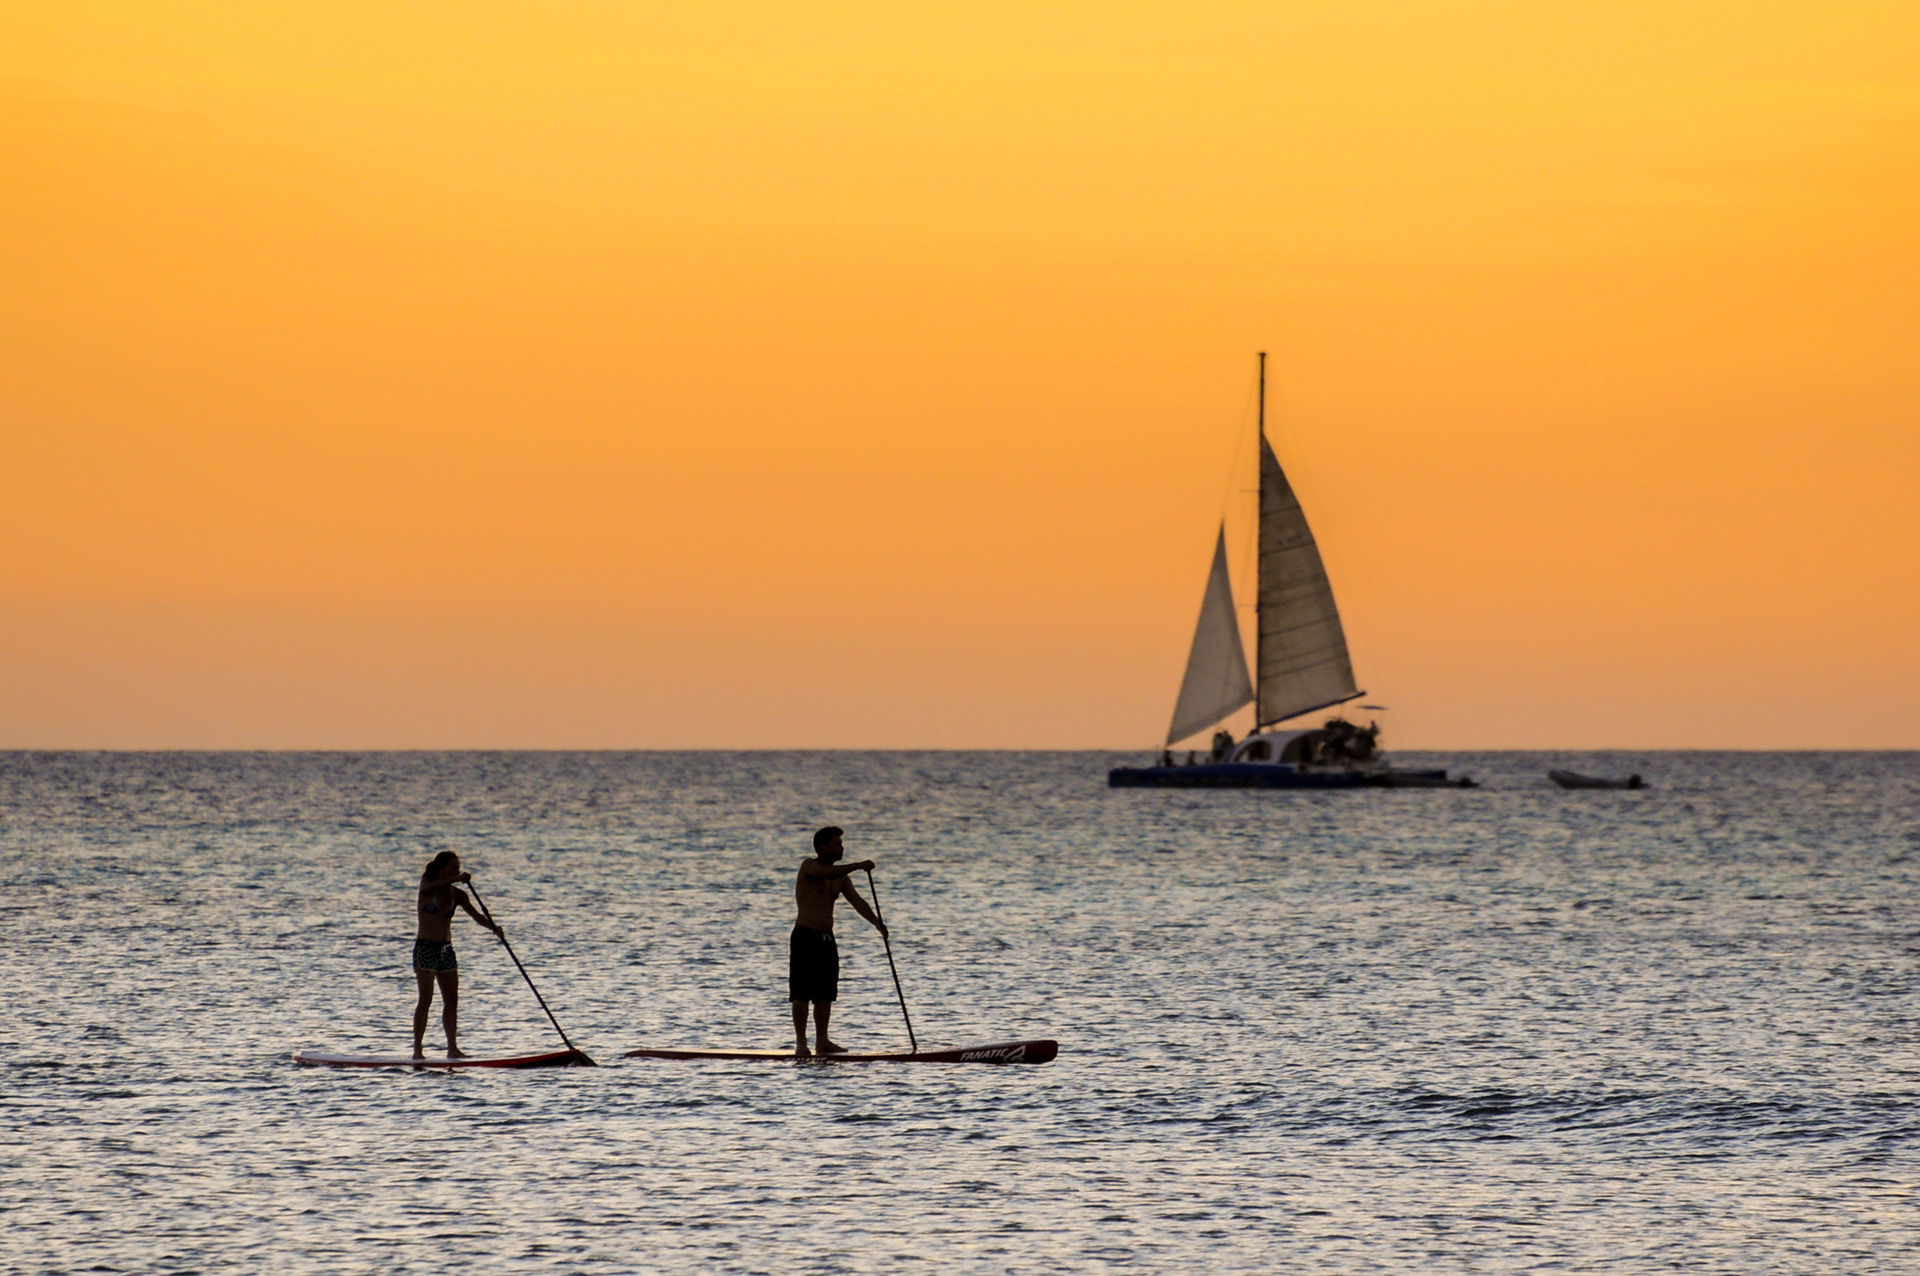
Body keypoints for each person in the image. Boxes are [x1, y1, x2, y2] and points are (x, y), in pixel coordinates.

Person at [791, 826, 887, 1058]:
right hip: (805, 936)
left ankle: (822, 1041)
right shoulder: (809, 867)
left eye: (841, 844)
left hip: (827, 940)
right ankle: (801, 1043)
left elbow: (858, 903)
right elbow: (824, 873)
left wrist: (878, 924)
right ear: (823, 847)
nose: (841, 847)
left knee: (825, 993)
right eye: (837, 844)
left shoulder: (841, 879)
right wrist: (857, 866)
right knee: (802, 993)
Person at [412, 851, 503, 1059]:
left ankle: (452, 1048)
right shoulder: (427, 885)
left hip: (446, 951)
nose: (457, 871)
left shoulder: (458, 895)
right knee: (425, 999)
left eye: (458, 867)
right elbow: (429, 886)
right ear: (442, 868)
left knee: (452, 1000)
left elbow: (478, 916)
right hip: (425, 949)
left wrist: (494, 928)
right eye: (453, 867)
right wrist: (456, 879)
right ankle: (417, 1050)